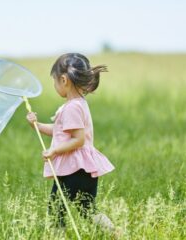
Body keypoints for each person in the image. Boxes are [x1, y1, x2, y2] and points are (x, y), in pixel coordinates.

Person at [26, 53, 116, 234]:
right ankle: (113, 232)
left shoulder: (72, 107)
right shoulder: (78, 103)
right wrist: (37, 125)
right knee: (87, 209)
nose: (54, 86)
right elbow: (60, 130)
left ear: (64, 80)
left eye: (54, 82)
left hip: (75, 168)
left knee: (56, 207)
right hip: (82, 167)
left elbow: (78, 139)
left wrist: (55, 151)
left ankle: (58, 236)